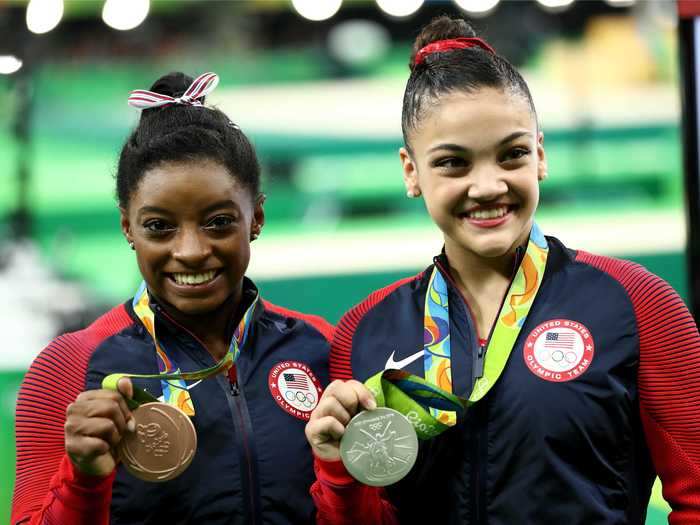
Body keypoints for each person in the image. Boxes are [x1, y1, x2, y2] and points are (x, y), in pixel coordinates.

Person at [305, 15, 700, 525]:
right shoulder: (363, 332)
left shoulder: (638, 303)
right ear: (411, 171)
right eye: (453, 163)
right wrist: (337, 469)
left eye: (511, 154)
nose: (488, 185)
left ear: (539, 155)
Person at [12, 71, 333, 525]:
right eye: (160, 227)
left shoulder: (321, 346)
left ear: (256, 217)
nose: (191, 251)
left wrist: (341, 473)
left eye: (219, 222)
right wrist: (83, 481)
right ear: (128, 228)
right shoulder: (68, 367)